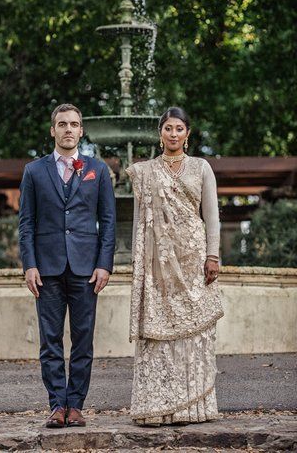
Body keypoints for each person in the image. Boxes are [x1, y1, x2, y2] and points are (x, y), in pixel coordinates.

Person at [19, 103, 116, 428]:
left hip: (86, 269)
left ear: (81, 130)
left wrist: (104, 265)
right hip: (46, 269)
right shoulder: (34, 171)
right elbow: (26, 223)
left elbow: (108, 222)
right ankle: (56, 405)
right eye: (62, 124)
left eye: (74, 124)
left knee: (83, 339)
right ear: (53, 130)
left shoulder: (97, 170)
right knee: (50, 340)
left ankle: (76, 405)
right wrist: (29, 264)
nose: (69, 129)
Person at [126, 106, 224, 426]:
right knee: (159, 334)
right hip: (158, 265)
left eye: (179, 128)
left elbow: (211, 215)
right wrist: (139, 264)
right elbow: (141, 222)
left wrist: (213, 255)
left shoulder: (200, 167)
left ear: (187, 133)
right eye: (168, 128)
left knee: (194, 332)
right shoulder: (146, 171)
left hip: (194, 260)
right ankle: (158, 407)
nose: (173, 134)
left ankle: (193, 406)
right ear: (160, 133)